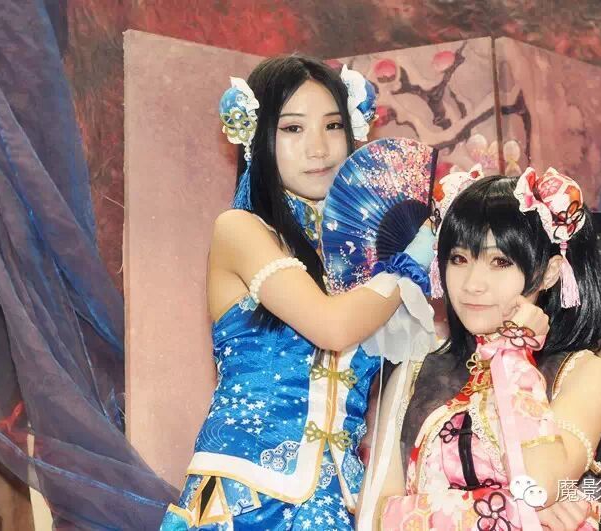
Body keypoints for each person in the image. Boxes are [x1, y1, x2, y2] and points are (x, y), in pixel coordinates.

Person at [160, 54, 431, 530]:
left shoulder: (370, 259)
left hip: (338, 502)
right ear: (258, 139)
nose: (318, 148)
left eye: (332, 125)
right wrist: (408, 265)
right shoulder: (240, 229)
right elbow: (332, 327)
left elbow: (403, 386)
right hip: (243, 496)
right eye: (292, 128)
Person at [367, 169, 601, 530]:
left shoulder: (585, 373)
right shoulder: (414, 374)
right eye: (459, 259)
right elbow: (376, 518)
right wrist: (508, 511)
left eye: (500, 262)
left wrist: (514, 352)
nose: (472, 284)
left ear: (550, 273)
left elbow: (540, 483)